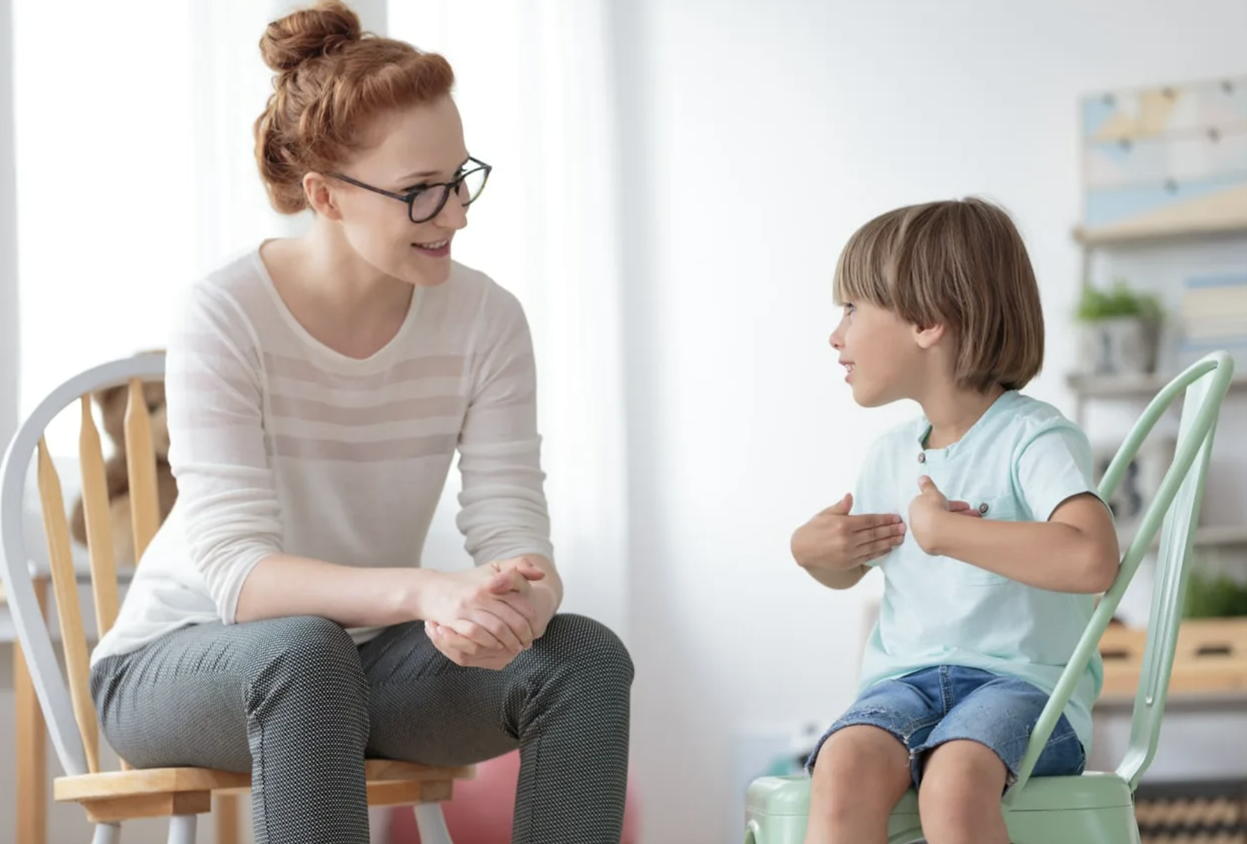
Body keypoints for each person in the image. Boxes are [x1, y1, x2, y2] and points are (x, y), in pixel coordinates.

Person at [87, 3, 633, 842]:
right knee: (302, 650)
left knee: (581, 658)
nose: (455, 216)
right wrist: (424, 592)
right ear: (325, 196)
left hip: (365, 664)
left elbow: (513, 527)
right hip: (184, 661)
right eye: (420, 193)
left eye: (459, 179)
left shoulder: (487, 320)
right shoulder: (224, 313)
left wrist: (512, 603)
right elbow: (240, 576)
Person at [790, 198, 1120, 844]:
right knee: (842, 763)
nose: (836, 334)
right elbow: (853, 569)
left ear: (927, 321)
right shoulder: (889, 453)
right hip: (904, 684)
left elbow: (1091, 560)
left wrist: (952, 534)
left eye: (852, 309)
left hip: (1022, 687)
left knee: (953, 779)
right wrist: (818, 553)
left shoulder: (1033, 437)